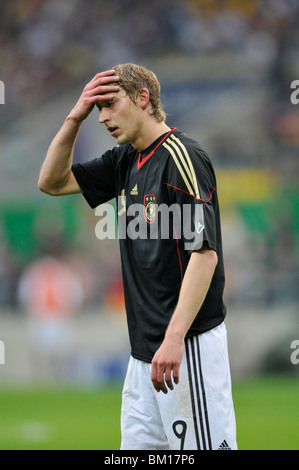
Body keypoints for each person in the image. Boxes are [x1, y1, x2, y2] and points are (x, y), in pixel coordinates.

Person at [38, 63, 237, 450]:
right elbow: (51, 182)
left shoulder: (184, 157)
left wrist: (175, 337)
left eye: (109, 104)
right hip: (143, 357)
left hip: (187, 347)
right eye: (97, 109)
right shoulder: (124, 160)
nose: (102, 117)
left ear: (143, 98)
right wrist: (74, 116)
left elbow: (205, 253)